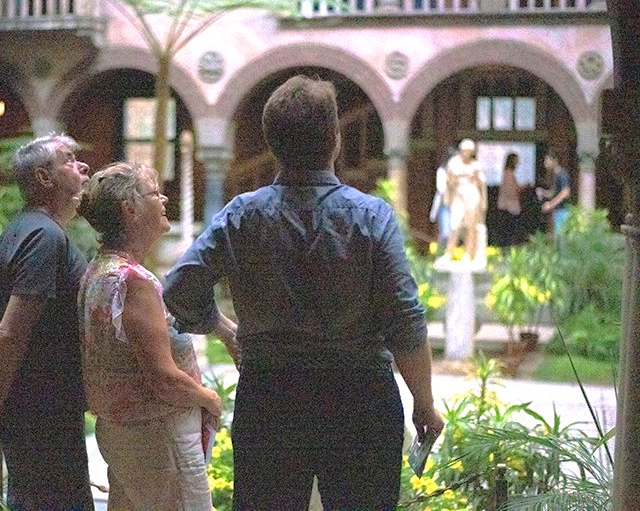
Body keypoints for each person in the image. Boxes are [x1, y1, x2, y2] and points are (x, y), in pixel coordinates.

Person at [163, 75, 444, 510]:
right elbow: (403, 317)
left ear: (272, 144)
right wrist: (423, 404)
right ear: (335, 140)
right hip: (360, 401)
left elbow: (179, 289)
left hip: (271, 399)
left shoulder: (242, 216)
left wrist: (222, 328)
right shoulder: (371, 217)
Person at [76, 162, 239, 511]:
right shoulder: (134, 281)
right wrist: (208, 397)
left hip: (124, 431)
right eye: (154, 193)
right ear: (130, 209)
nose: (163, 198)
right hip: (157, 435)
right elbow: (163, 379)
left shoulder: (99, 269)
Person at [0, 134, 95, 511]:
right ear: (44, 178)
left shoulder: (21, 228)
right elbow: (10, 330)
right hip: (44, 414)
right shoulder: (45, 238)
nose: (82, 166)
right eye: (69, 160)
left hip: (36, 410)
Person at [443, 138, 487, 263]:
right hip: (458, 195)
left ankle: (468, 253)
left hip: (472, 195)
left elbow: (481, 184)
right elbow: (448, 182)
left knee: (471, 226)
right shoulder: (454, 163)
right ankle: (449, 252)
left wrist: (484, 201)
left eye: (469, 151)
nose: (466, 153)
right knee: (455, 225)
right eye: (464, 150)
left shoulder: (476, 165)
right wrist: (447, 197)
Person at [535, 151, 571, 237]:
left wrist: (551, 204)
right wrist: (543, 192)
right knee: (558, 236)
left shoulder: (562, 174)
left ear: (555, 160)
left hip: (563, 211)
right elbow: (553, 193)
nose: (545, 163)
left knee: (561, 237)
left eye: (547, 160)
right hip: (558, 211)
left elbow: (565, 192)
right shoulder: (555, 175)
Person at [496, 152, 526, 247]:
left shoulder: (508, 173)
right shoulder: (508, 174)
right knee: (509, 231)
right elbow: (511, 191)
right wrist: (522, 188)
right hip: (509, 208)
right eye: (516, 161)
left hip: (508, 206)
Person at [429, 148, 453, 252]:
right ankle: (440, 253)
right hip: (444, 204)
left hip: (456, 203)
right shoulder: (442, 171)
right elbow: (441, 188)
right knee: (445, 232)